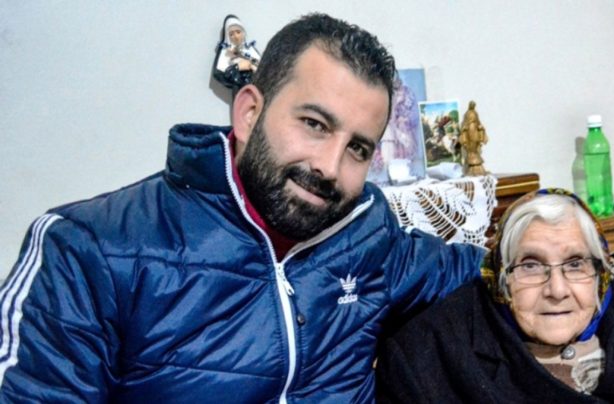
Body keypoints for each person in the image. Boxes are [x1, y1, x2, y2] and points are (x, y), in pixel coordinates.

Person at [0, 13, 484, 403]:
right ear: (250, 112)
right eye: (314, 124)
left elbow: (485, 268)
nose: (329, 167)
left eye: (358, 148)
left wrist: (528, 230)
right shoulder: (88, 251)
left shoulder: (366, 231)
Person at [376, 188, 614, 403]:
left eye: (575, 264)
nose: (557, 290)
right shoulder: (428, 358)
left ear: (600, 274)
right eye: (531, 266)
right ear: (500, 277)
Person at [213, 14, 262, 92]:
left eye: (238, 32)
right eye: (231, 34)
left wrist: (252, 66)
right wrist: (237, 67)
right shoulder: (226, 52)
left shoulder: (249, 49)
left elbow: (261, 66)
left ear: (243, 32)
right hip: (241, 91)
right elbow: (219, 74)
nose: (236, 37)